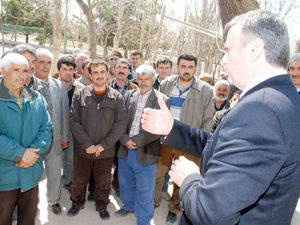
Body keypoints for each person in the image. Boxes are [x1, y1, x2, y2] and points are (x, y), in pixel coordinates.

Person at [141, 10, 300, 225]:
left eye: (228, 50)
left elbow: (211, 211)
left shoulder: (263, 109)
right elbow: (222, 147)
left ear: (254, 50)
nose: (223, 60)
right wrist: (172, 128)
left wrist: (188, 179)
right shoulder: (280, 98)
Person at [155, 53, 214, 224]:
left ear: (195, 68)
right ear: (177, 67)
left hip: (188, 141)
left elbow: (208, 120)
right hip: (165, 139)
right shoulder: (166, 84)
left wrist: (199, 144)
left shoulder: (205, 90)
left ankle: (175, 208)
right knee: (158, 174)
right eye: (183, 66)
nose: (186, 70)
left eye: (190, 67)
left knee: (181, 179)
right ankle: (154, 201)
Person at [68, 59, 127, 220]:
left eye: (102, 72)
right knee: (79, 179)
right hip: (83, 149)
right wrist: (87, 144)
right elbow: (73, 120)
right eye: (95, 72)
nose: (99, 75)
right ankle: (76, 202)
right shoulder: (80, 93)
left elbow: (120, 124)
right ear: (90, 74)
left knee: (103, 181)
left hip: (105, 151)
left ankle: (101, 205)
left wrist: (103, 145)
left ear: (108, 73)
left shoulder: (117, 97)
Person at [0, 53, 52, 225]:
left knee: (28, 219)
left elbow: (46, 130)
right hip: (4, 176)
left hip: (30, 174)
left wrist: (32, 154)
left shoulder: (37, 98)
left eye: (25, 70)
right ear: (3, 71)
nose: (22, 75)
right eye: (16, 70)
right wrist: (21, 153)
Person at [115, 64, 169, 225]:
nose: (143, 82)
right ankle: (129, 205)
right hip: (125, 148)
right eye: (140, 78)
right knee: (126, 181)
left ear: (153, 80)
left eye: (147, 79)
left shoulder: (162, 99)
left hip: (146, 150)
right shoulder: (129, 95)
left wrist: (136, 142)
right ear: (136, 79)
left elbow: (159, 129)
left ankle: (144, 219)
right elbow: (120, 120)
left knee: (145, 188)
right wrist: (124, 139)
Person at [35, 48, 70, 215]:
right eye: (41, 62)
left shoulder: (59, 85)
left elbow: (64, 113)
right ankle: (29, 202)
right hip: (33, 140)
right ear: (34, 63)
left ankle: (53, 200)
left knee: (55, 171)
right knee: (32, 173)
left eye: (48, 62)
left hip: (55, 139)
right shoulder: (28, 84)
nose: (45, 66)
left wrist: (65, 137)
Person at [57, 55, 85, 192]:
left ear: (75, 70)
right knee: (54, 160)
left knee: (69, 159)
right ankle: (54, 185)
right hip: (55, 129)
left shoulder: (81, 88)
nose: (67, 72)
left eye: (70, 69)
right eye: (64, 69)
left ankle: (68, 180)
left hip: (72, 130)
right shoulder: (52, 86)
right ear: (59, 71)